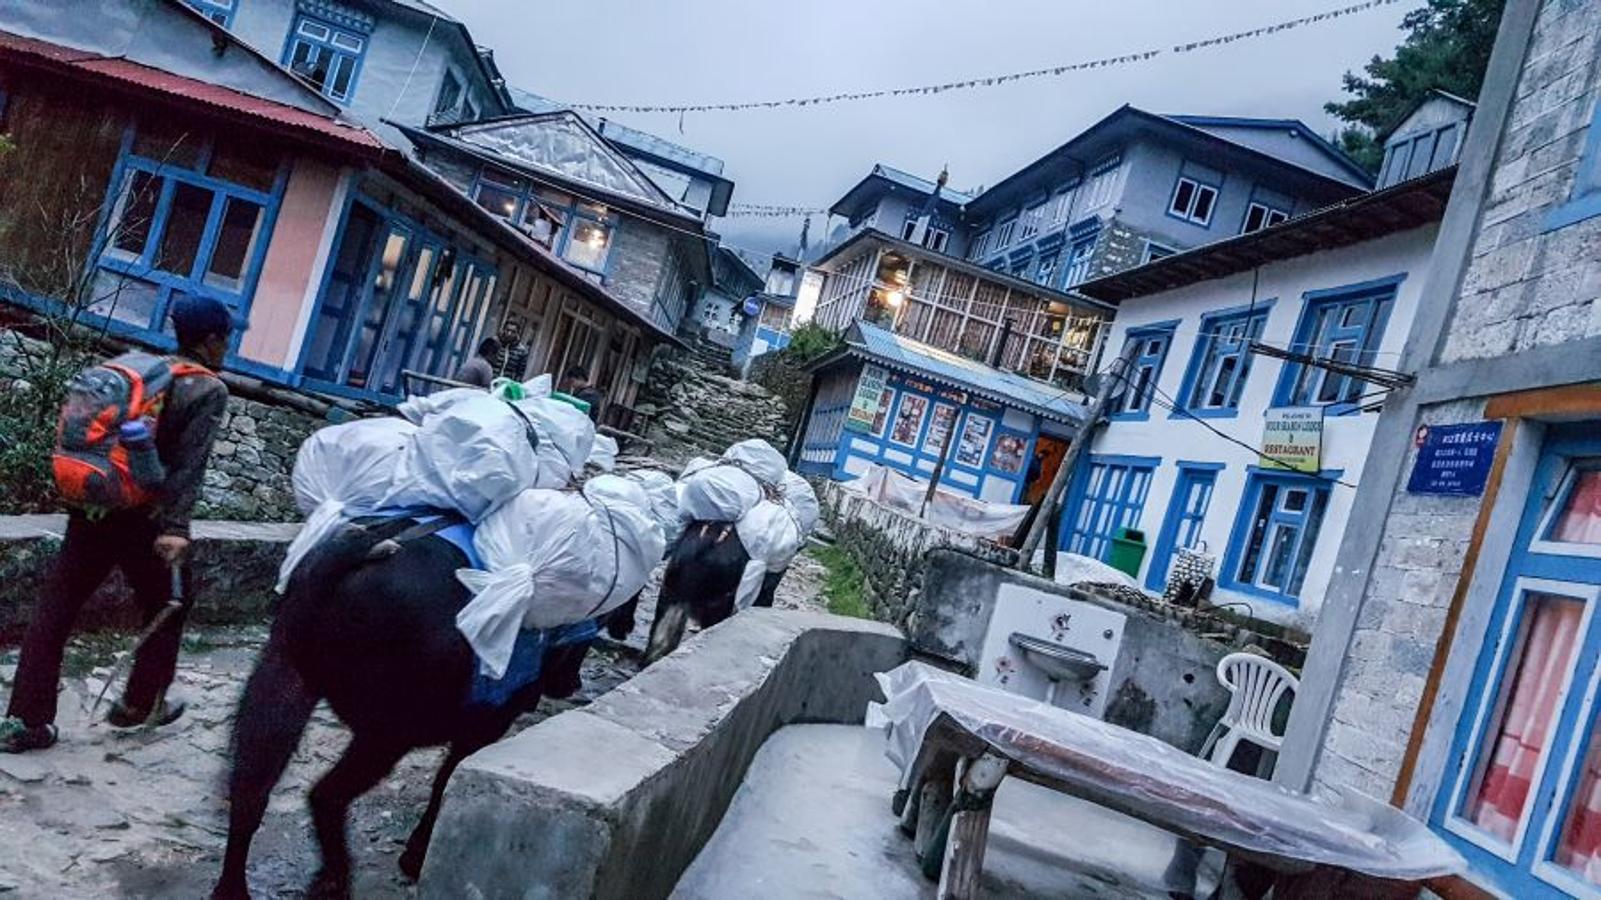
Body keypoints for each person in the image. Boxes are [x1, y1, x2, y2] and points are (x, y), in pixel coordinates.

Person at [1, 297, 233, 753]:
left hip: (91, 504)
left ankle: (25, 722)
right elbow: (189, 466)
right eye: (225, 339)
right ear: (210, 342)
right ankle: (140, 704)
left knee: (56, 608)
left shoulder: (140, 368)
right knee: (170, 600)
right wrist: (176, 529)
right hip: (140, 518)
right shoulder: (207, 389)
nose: (227, 348)